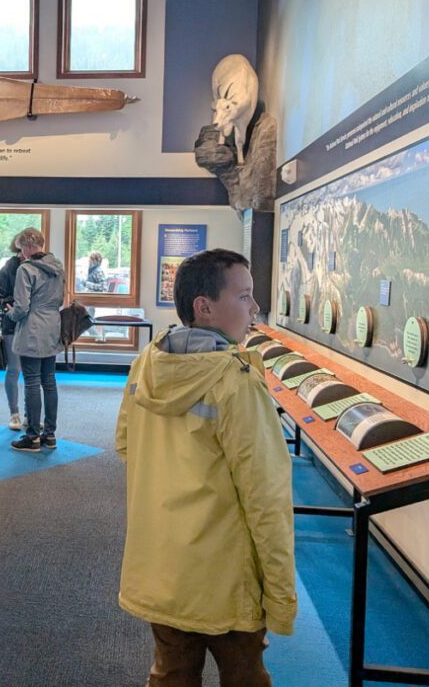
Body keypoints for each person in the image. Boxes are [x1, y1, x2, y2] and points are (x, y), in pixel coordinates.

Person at [115, 249, 296, 687]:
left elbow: (125, 444)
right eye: (245, 296)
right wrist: (281, 595)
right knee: (244, 676)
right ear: (205, 306)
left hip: (162, 567)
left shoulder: (146, 363)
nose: (254, 309)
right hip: (225, 578)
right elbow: (265, 495)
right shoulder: (235, 382)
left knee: (171, 675)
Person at [6, 227, 64, 452]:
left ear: (28, 247)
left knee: (31, 382)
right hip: (52, 326)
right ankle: (50, 435)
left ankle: (32, 437)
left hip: (32, 328)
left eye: (22, 249)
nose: (21, 253)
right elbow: (59, 300)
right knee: (49, 381)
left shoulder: (26, 269)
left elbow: (21, 307)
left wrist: (10, 313)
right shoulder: (58, 267)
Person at [0, 236, 25, 430]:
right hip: (11, 324)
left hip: (33, 325)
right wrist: (13, 307)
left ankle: (30, 413)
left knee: (31, 372)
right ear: (19, 246)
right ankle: (14, 413)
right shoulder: (7, 269)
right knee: (14, 369)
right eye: (26, 245)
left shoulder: (39, 267)